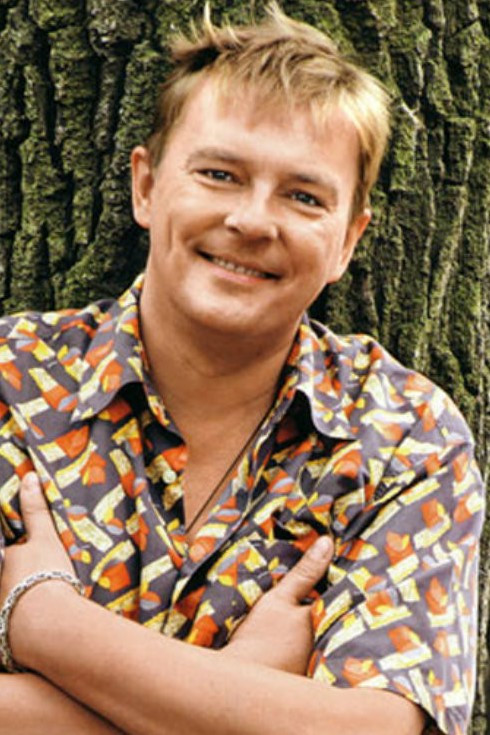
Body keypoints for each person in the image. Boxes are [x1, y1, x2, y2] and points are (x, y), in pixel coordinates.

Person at [0, 3, 483, 734]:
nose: (253, 221)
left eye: (303, 196)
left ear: (348, 241)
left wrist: (48, 623)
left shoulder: (401, 436)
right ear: (146, 186)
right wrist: (245, 698)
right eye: (220, 174)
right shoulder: (13, 386)